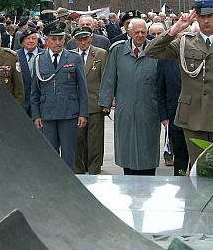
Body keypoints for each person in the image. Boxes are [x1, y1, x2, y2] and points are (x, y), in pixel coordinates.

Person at [145, 0, 213, 168]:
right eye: (202, 16)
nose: (206, 21)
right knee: (198, 167)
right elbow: (151, 51)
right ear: (196, 16)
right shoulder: (184, 42)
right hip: (192, 115)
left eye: (210, 16)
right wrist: (175, 29)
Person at [100, 18, 162, 175]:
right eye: (137, 32)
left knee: (148, 144)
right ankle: (128, 177)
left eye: (143, 32)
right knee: (126, 145)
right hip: (125, 107)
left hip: (149, 107)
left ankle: (148, 178)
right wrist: (105, 103)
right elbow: (109, 77)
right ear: (129, 32)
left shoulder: (155, 50)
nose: (140, 35)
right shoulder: (117, 50)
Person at [30, 22, 88, 170]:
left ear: (64, 40)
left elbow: (82, 88)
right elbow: (35, 91)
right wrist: (36, 115)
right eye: (53, 39)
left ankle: (69, 184)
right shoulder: (39, 59)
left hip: (69, 112)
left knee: (69, 153)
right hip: (47, 113)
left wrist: (83, 113)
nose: (57, 42)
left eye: (60, 39)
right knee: (50, 153)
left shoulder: (74, 58)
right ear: (46, 40)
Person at [70, 26, 108, 174]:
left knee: (95, 141)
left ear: (91, 38)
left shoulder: (101, 54)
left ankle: (94, 170)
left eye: (85, 39)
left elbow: (106, 78)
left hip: (95, 103)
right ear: (75, 41)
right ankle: (78, 170)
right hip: (76, 105)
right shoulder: (71, 55)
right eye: (79, 39)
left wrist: (105, 102)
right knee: (77, 139)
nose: (83, 42)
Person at [155, 57, 188, 174]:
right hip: (174, 116)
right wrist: (163, 116)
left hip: (197, 117)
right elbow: (160, 90)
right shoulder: (165, 60)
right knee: (180, 160)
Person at [16, 29, 43, 117]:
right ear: (22, 41)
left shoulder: (45, 55)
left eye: (33, 38)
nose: (31, 41)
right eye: (28, 38)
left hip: (41, 103)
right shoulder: (15, 56)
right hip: (22, 103)